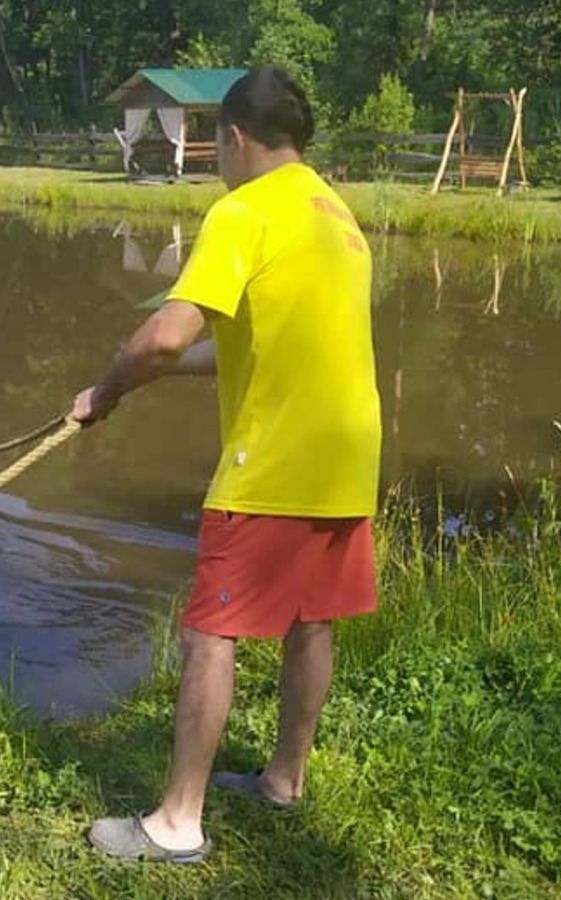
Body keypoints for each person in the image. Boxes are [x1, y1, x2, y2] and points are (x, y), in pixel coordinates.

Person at [74, 65, 382, 864]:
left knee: (212, 633)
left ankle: (177, 821)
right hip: (347, 460)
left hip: (272, 463)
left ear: (235, 138)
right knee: (311, 621)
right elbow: (257, 345)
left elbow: (165, 333)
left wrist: (109, 385)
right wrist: (154, 378)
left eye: (216, 143)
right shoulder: (337, 216)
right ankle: (285, 778)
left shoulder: (243, 211)